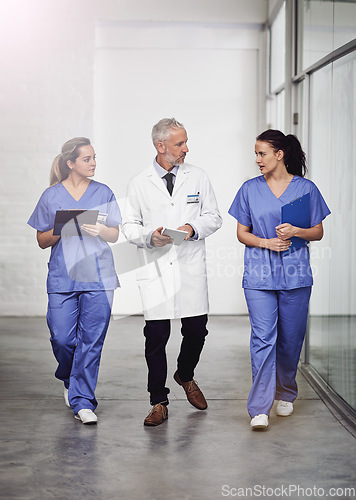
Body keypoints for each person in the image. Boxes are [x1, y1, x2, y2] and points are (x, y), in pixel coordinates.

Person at [121, 118, 222, 426]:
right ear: (160, 146)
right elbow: (129, 227)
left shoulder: (198, 177)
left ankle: (185, 374)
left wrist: (193, 227)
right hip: (156, 269)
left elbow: (214, 217)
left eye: (185, 142)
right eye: (179, 144)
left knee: (196, 330)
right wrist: (149, 237)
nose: (186, 149)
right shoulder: (139, 182)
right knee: (156, 337)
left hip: (189, 266)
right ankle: (158, 402)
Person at [228, 129, 330, 431]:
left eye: (262, 153)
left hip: (296, 275)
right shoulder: (249, 189)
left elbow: (318, 231)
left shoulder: (306, 189)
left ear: (279, 154)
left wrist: (296, 232)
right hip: (259, 275)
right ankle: (259, 407)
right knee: (262, 339)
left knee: (289, 339)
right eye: (256, 154)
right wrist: (266, 243)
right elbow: (241, 233)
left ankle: (285, 392)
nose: (257, 159)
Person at [28, 137, 121, 425]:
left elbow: (115, 234)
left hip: (98, 276)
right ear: (70, 163)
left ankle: (83, 401)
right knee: (63, 338)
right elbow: (42, 240)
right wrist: (64, 228)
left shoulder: (103, 192)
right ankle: (69, 377)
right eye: (87, 159)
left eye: (94, 158)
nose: (93, 163)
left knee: (91, 341)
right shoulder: (51, 196)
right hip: (62, 277)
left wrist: (100, 230)